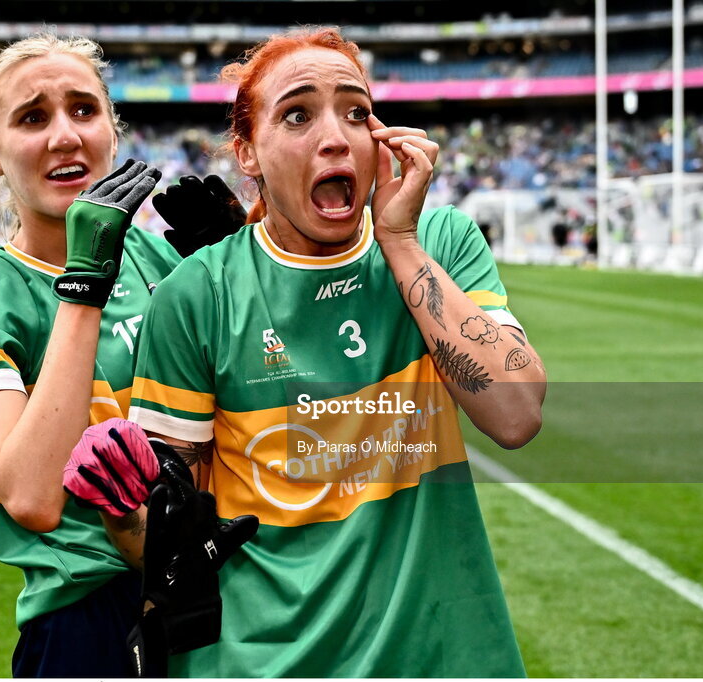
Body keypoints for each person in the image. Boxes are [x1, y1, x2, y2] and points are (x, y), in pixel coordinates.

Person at [120, 27, 546, 677]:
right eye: (297, 114)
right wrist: (117, 498)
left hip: (439, 657)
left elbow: (515, 412)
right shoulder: (197, 292)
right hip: (260, 661)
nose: (335, 136)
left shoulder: (440, 241)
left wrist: (399, 241)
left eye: (356, 111)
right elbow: (159, 535)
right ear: (247, 153)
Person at [0, 33, 240, 677]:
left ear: (112, 132)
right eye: (33, 117)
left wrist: (248, 270)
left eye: (84, 110)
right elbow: (33, 496)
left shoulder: (163, 259)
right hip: (88, 622)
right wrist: (84, 282)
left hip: (221, 587)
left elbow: (271, 398)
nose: (65, 135)